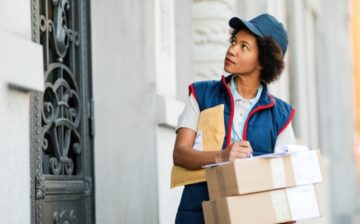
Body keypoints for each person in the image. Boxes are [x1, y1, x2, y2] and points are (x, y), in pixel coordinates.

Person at [173, 13, 297, 224]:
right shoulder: (200, 95)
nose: (232, 49)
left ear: (262, 62)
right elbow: (180, 154)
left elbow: (284, 183)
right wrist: (221, 156)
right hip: (197, 215)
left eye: (244, 46)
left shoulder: (282, 116)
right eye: (234, 42)